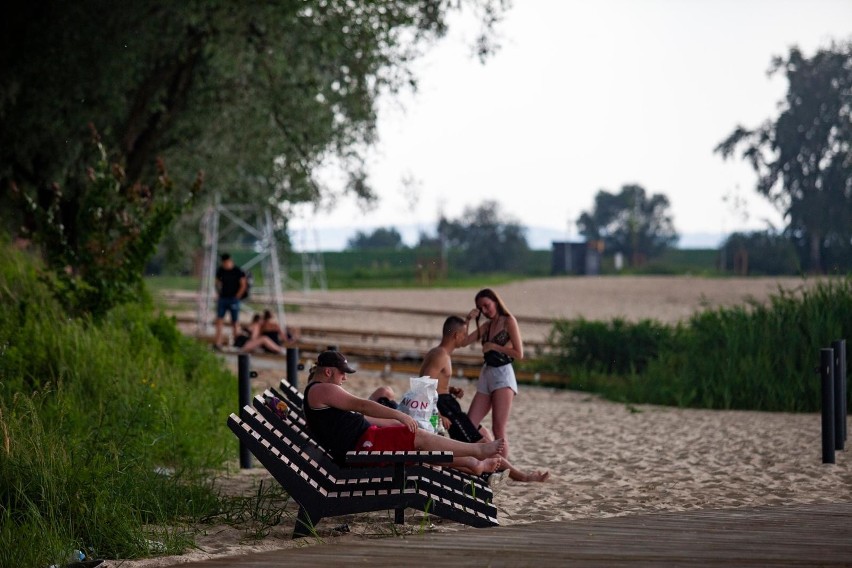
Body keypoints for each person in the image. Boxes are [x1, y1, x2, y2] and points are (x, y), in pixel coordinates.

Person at [303, 350, 505, 476]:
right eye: (342, 373)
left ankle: (473, 462)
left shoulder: (317, 391)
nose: (344, 378)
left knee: (416, 441)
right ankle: (476, 451)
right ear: (328, 371)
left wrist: (391, 422)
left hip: (363, 441)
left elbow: (357, 417)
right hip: (361, 447)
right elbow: (362, 406)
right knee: (418, 438)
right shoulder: (323, 389)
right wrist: (399, 415)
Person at [421, 316, 549, 483]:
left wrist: (450, 389)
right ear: (457, 336)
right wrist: (437, 415)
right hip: (445, 408)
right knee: (482, 445)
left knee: (481, 435)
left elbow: (433, 383)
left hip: (446, 403)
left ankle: (493, 472)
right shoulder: (441, 355)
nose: (465, 338)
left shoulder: (437, 353)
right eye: (464, 334)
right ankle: (523, 477)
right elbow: (423, 386)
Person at [460, 288, 523, 460]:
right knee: (470, 423)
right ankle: (489, 451)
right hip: (487, 373)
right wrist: (467, 320)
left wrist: (494, 346)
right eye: (482, 309)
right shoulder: (487, 326)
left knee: (499, 428)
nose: (486, 311)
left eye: (487, 306)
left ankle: (502, 466)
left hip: (503, 374)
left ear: (495, 301)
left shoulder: (509, 321)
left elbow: (519, 353)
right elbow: (463, 341)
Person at [214, 253, 247, 350]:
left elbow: (243, 285)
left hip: (233, 299)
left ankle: (237, 343)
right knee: (219, 320)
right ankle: (218, 342)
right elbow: (217, 282)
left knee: (235, 322)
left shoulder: (238, 271)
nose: (225, 265)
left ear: (230, 261)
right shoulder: (220, 270)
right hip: (223, 299)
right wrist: (218, 292)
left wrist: (237, 296)